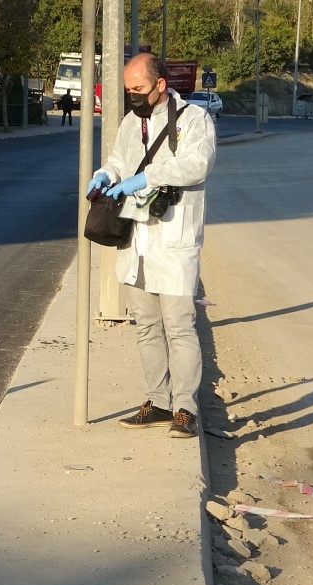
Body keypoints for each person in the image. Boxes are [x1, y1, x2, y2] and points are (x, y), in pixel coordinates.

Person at [86, 53, 217, 439]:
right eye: (129, 91)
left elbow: (198, 164)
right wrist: (106, 175)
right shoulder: (131, 122)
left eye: (139, 89)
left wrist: (144, 179)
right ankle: (158, 401)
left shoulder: (194, 120)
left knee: (179, 327)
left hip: (173, 241)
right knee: (146, 326)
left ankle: (185, 409)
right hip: (135, 240)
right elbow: (117, 160)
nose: (134, 97)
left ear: (161, 85)